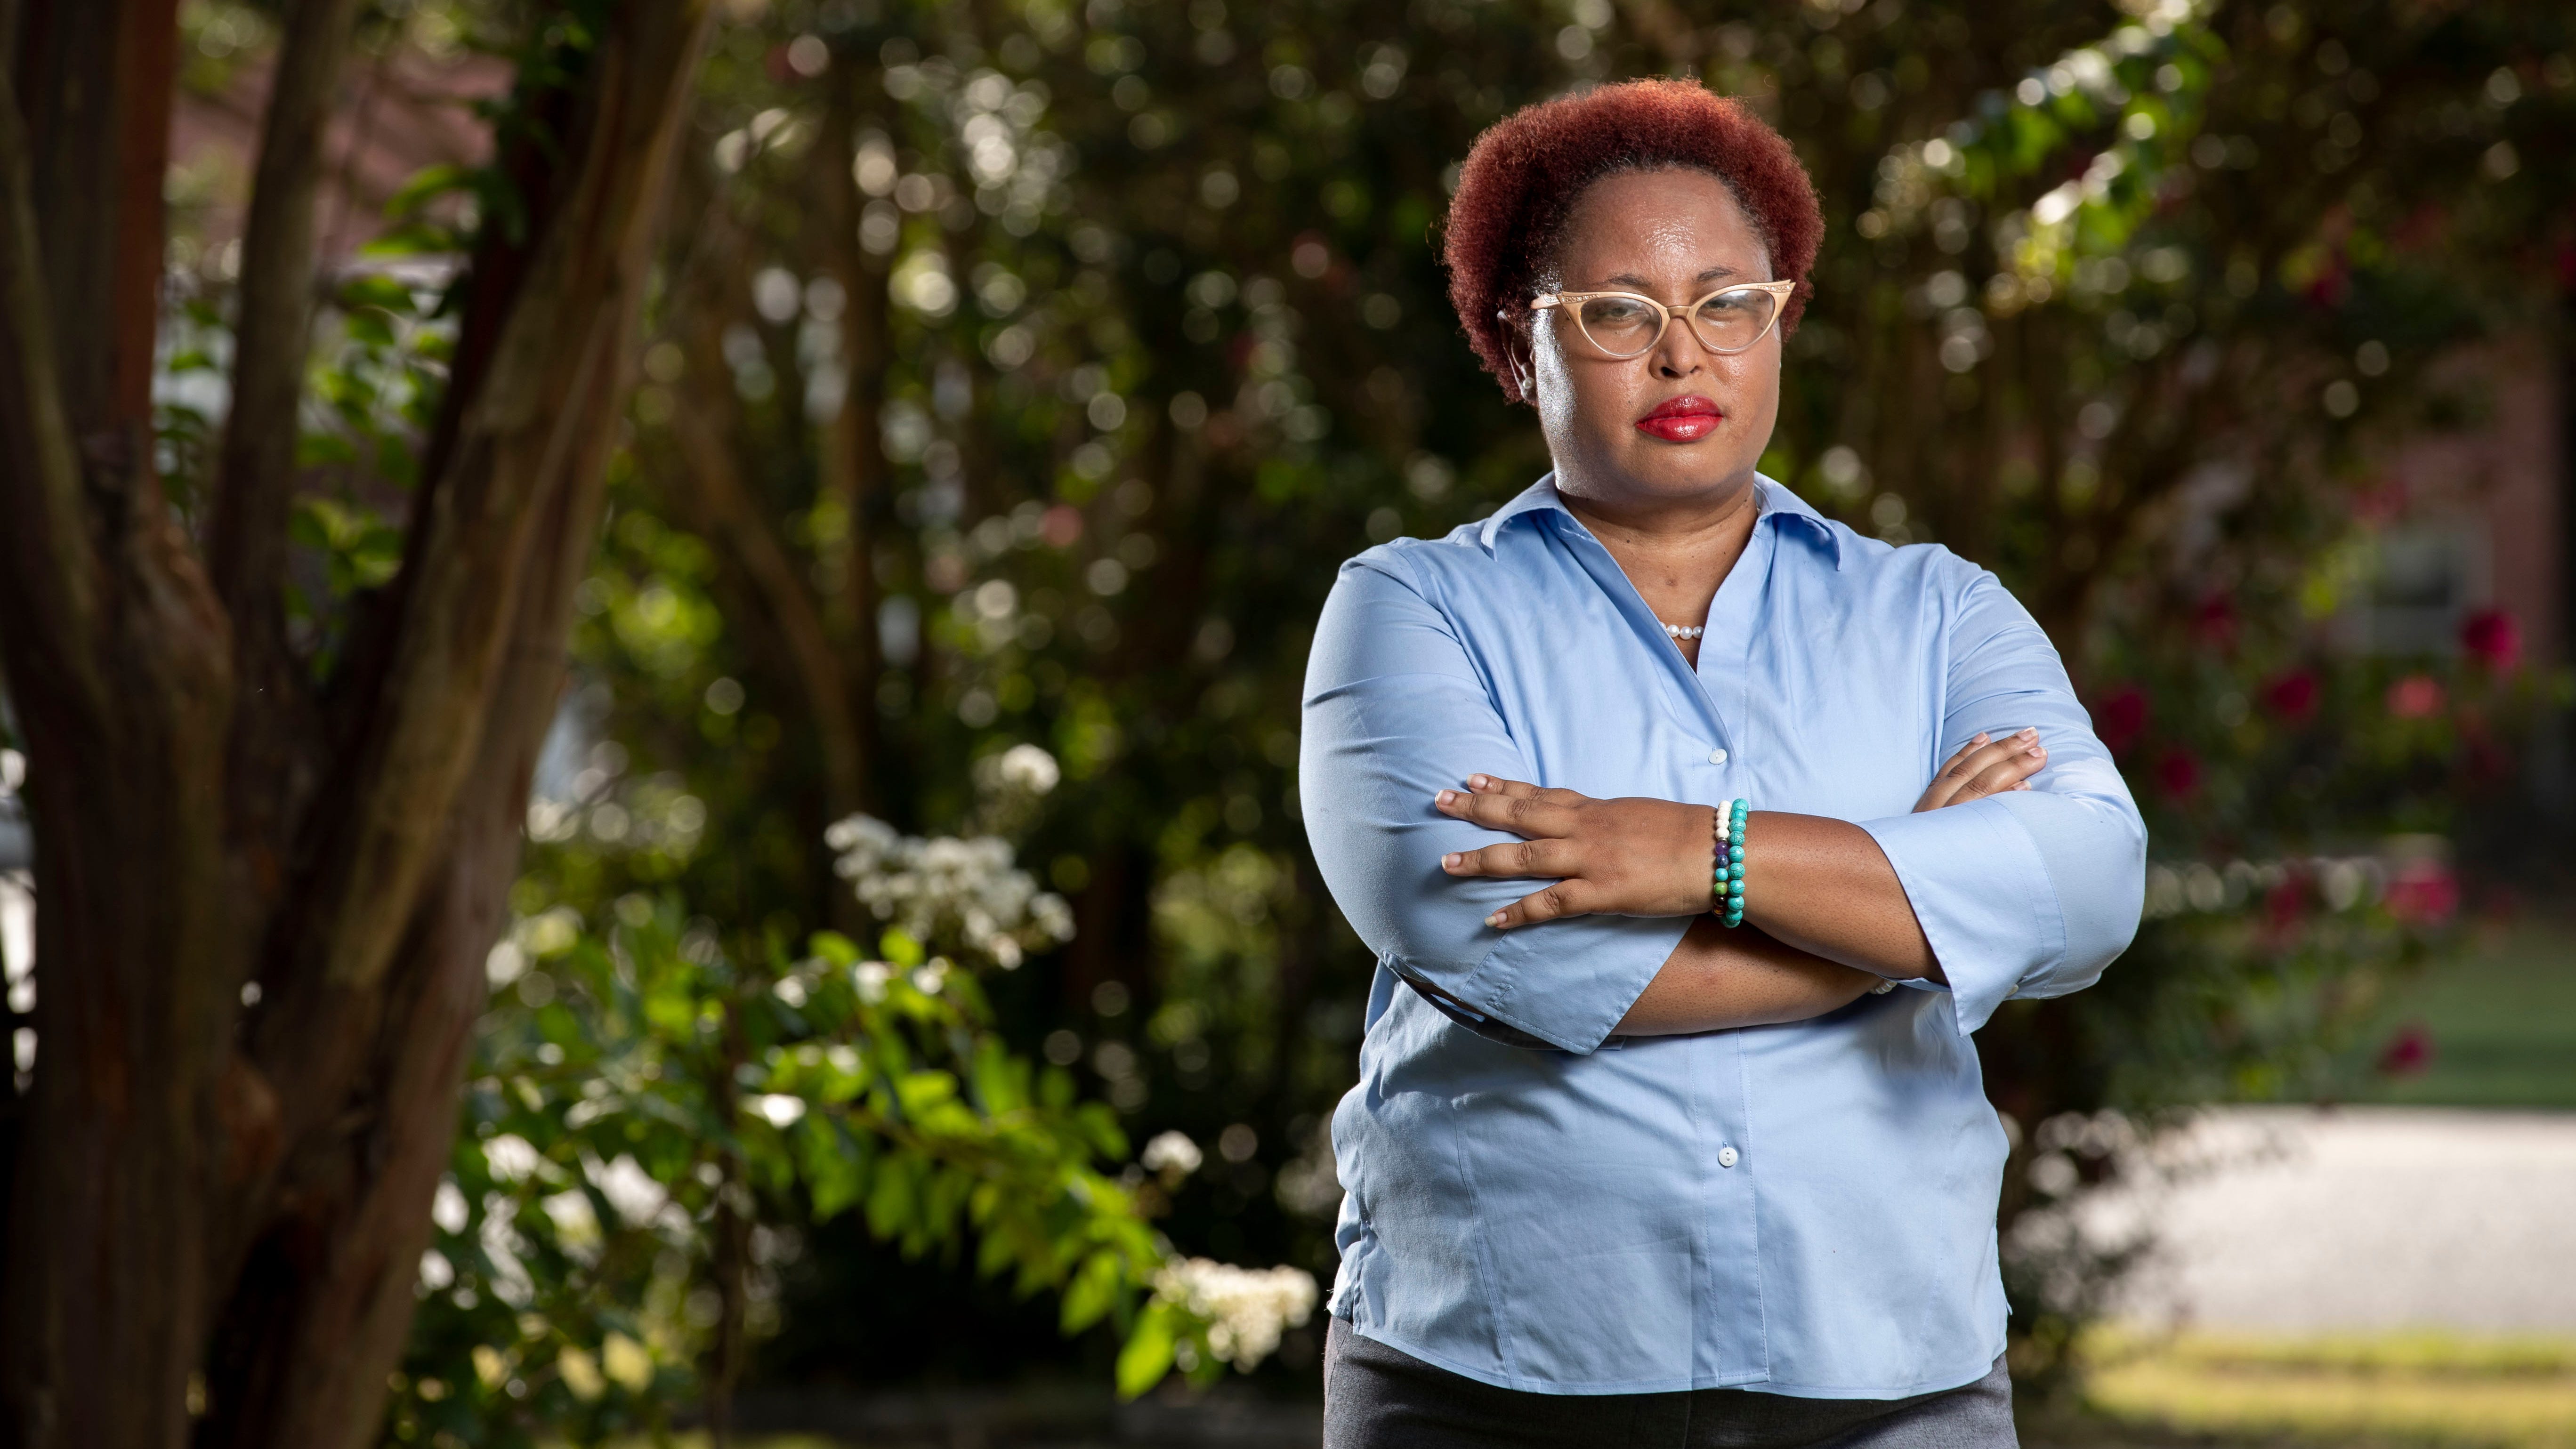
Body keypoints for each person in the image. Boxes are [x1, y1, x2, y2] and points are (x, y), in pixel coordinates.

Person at [1298, 80, 2146, 1448]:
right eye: (1619, 312)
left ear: (1782, 320)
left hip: (1891, 1379)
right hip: (1496, 1383)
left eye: (1728, 303)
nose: (1683, 355)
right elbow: (1495, 934)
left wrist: (1696, 851)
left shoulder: (1941, 614)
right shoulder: (1413, 610)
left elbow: (2087, 886)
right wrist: (1913, 907)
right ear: (1520, 348)